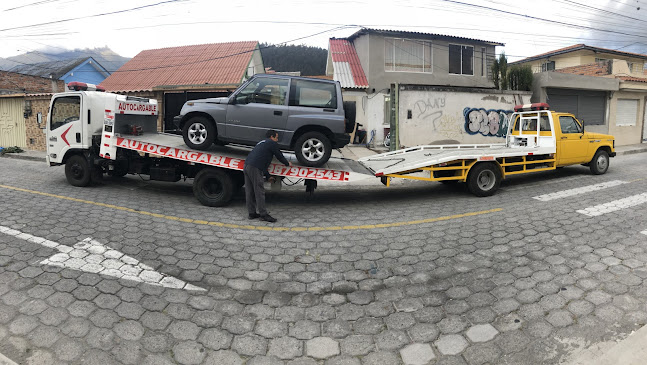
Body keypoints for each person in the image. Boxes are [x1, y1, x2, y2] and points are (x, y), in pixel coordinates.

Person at [243, 130, 292, 222]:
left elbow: (262, 162)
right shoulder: (272, 143)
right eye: (276, 137)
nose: (277, 140)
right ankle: (263, 214)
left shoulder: (261, 143)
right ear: (272, 137)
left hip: (247, 166)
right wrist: (287, 163)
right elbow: (279, 155)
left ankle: (251, 213)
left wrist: (268, 175)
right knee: (259, 191)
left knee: (249, 191)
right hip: (255, 168)